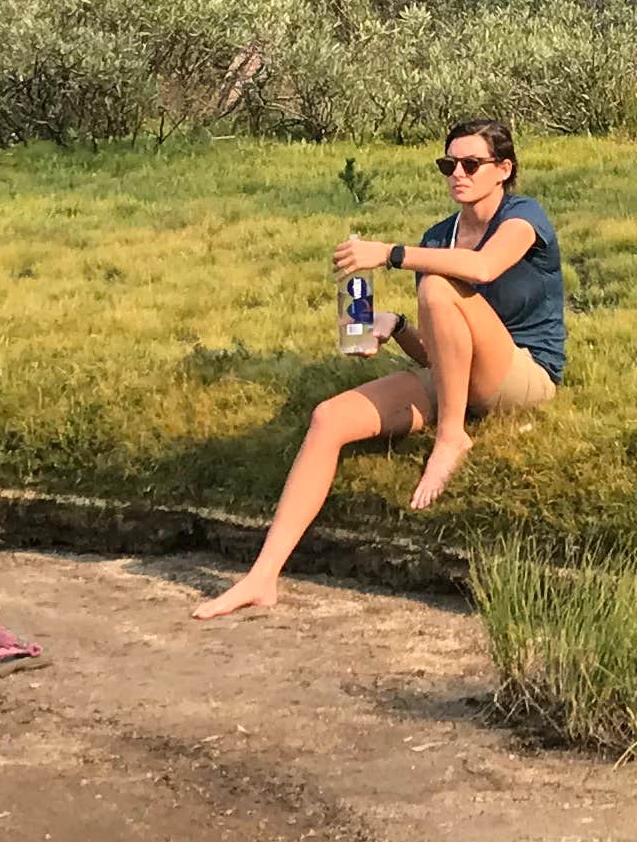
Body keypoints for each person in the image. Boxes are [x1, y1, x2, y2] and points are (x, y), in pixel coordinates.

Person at [188, 118, 565, 621]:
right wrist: (395, 327)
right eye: (447, 164)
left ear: (503, 169)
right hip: (461, 377)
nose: (458, 173)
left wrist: (388, 255)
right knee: (329, 419)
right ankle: (263, 576)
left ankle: (451, 436)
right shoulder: (441, 235)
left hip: (522, 373)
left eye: (471, 164)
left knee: (436, 280)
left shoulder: (523, 218)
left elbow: (482, 270)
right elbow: (436, 355)